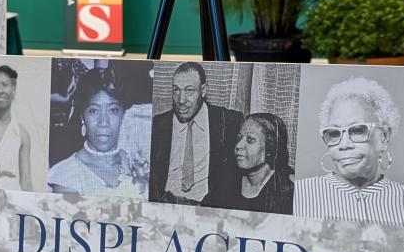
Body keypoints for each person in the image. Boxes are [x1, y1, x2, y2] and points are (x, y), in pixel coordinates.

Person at [294, 76, 404, 226]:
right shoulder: (296, 194)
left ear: (384, 136)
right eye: (334, 133)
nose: (344, 144)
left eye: (357, 130)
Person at [150, 62, 243, 206]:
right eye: (176, 90)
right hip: (166, 204)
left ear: (203, 90)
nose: (181, 100)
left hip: (208, 207)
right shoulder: (158, 124)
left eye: (189, 91)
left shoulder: (230, 122)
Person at [47, 68, 146, 198]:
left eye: (113, 110)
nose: (103, 122)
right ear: (82, 117)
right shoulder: (67, 175)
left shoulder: (139, 165)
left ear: (123, 115)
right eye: (94, 111)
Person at [218, 112, 294, 213]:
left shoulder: (288, 188)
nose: (238, 145)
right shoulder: (226, 180)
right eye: (239, 138)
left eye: (250, 139)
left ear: (271, 148)